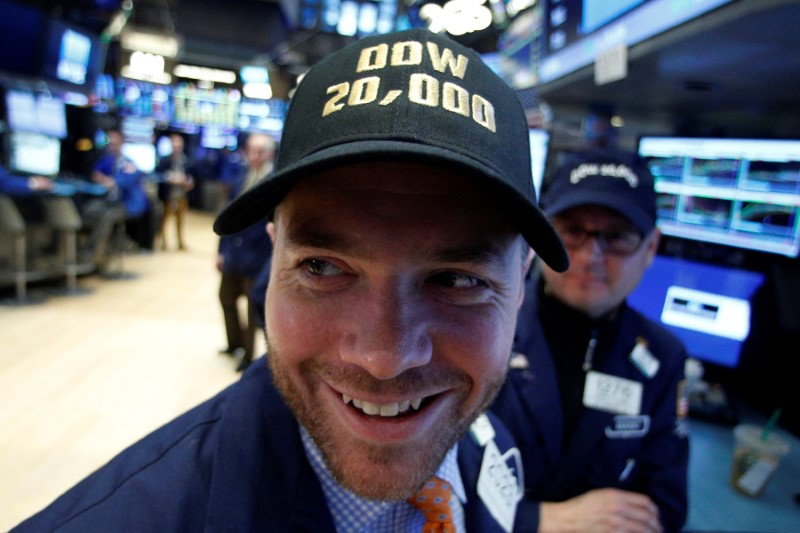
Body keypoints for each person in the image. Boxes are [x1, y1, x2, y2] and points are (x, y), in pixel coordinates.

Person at [11, 28, 569, 532]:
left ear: (522, 282)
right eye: (322, 267)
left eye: (455, 279)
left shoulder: (482, 430)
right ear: (275, 259)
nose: (385, 357)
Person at [490, 150, 690, 533]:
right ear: (541, 233)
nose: (590, 255)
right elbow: (431, 481)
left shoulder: (664, 358)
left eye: (616, 237)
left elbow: (664, 508)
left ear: (651, 248)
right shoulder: (482, 327)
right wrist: (536, 521)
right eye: (571, 231)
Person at [216, 132, 275, 372]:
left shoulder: (275, 181)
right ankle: (234, 344)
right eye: (251, 150)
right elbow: (227, 215)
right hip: (233, 254)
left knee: (253, 310)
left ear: (270, 153)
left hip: (258, 257)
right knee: (226, 298)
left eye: (260, 151)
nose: (254, 155)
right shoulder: (242, 174)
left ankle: (248, 357)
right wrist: (221, 250)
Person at [91, 128, 155, 251]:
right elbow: (96, 174)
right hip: (113, 202)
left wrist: (106, 180)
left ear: (121, 143)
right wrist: (104, 179)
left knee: (108, 216)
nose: (111, 146)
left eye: (115, 144)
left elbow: (116, 183)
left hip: (129, 205)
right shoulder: (108, 160)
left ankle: (95, 252)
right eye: (110, 144)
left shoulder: (129, 164)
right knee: (91, 209)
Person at [155, 132, 195, 251]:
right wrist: (171, 178)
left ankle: (180, 242)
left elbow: (191, 176)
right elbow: (158, 175)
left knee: (180, 220)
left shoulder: (186, 160)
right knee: (164, 220)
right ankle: (163, 242)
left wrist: (188, 181)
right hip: (168, 195)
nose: (176, 147)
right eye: (174, 144)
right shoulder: (164, 160)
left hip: (181, 195)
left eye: (179, 144)